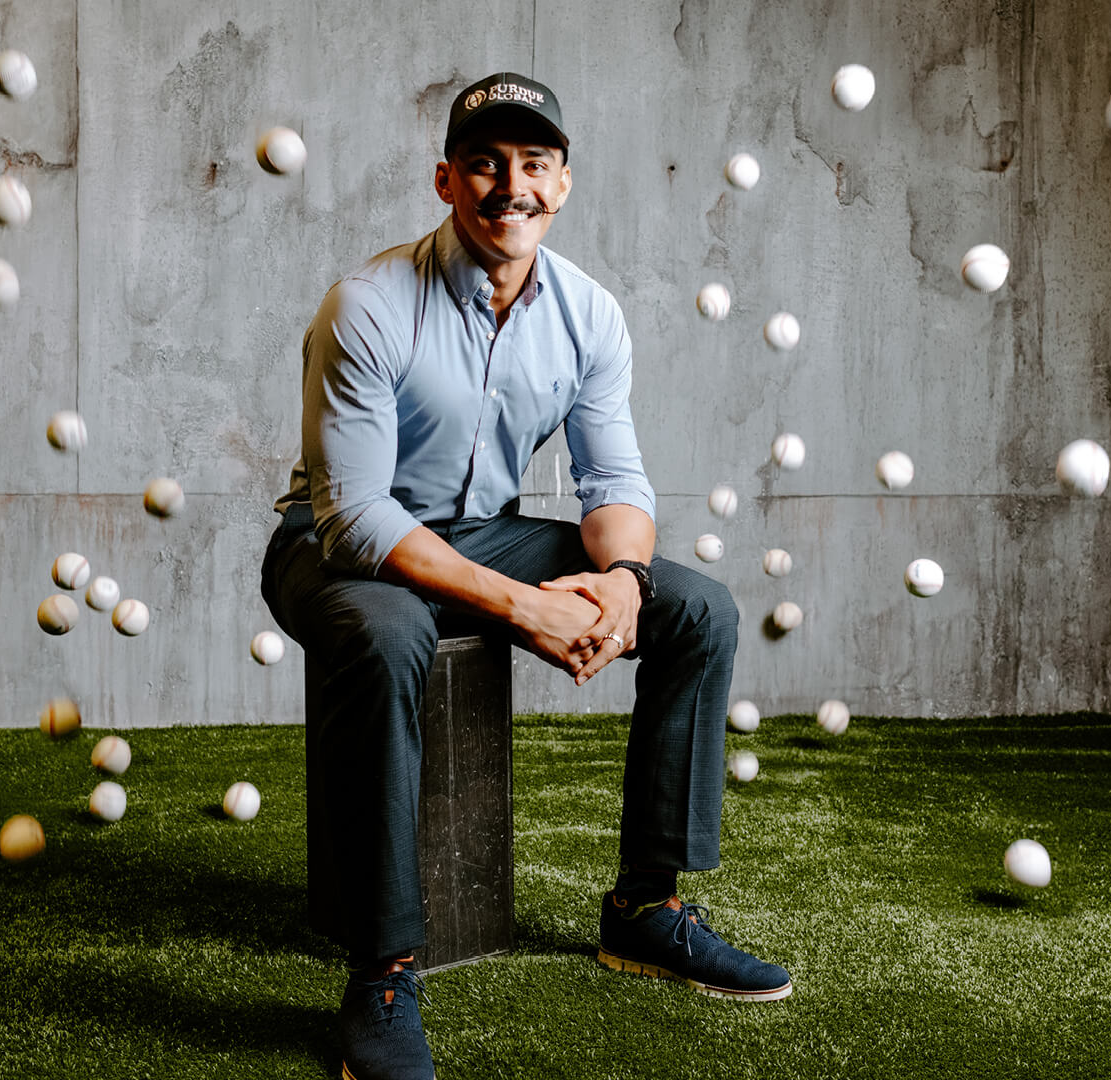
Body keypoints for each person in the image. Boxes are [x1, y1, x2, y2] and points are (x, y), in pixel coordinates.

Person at [260, 72, 791, 1080]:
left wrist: (625, 580)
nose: (512, 186)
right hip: (334, 544)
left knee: (698, 610)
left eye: (534, 164)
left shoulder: (588, 314)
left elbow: (613, 478)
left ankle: (644, 908)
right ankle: (382, 969)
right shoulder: (367, 306)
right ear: (446, 180)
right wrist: (525, 608)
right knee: (389, 634)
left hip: (481, 530)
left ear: (564, 183)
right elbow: (358, 515)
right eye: (487, 164)